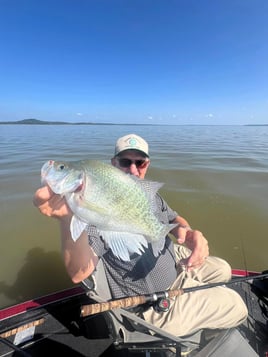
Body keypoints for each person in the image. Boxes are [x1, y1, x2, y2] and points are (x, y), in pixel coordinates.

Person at [33, 133, 248, 343]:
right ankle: (204, 341)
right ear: (113, 164)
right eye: (125, 162)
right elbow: (79, 273)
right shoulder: (89, 211)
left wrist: (191, 233)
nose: (133, 170)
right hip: (155, 305)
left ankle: (199, 299)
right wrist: (65, 219)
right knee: (236, 305)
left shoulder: (149, 195)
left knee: (224, 270)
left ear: (147, 164)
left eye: (140, 163)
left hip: (173, 261)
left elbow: (174, 219)